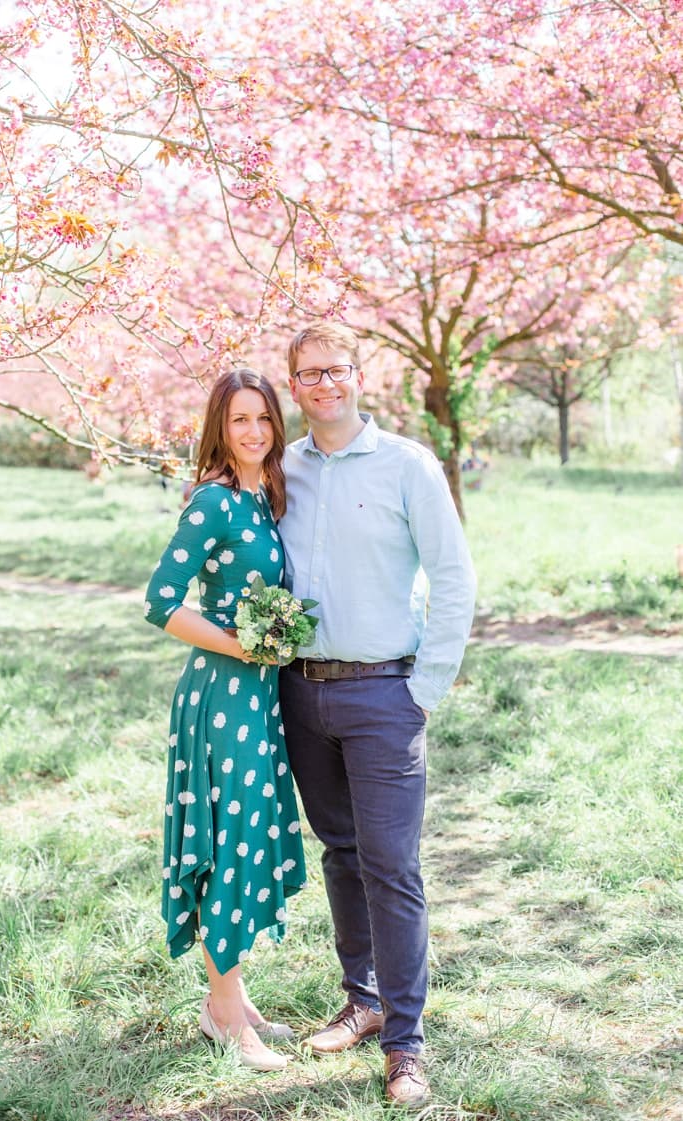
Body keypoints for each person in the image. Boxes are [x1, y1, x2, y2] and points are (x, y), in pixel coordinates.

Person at [277, 323, 476, 1106]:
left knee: (392, 867)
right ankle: (360, 998)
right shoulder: (282, 469)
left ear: (359, 375)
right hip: (302, 692)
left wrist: (424, 687)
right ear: (291, 386)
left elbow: (454, 574)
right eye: (305, 373)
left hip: (385, 693)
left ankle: (406, 1045)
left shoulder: (407, 465)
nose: (322, 383)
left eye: (334, 369)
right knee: (339, 851)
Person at [143, 368, 309, 1073]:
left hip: (259, 696)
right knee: (231, 844)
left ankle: (232, 993)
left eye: (264, 419)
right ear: (220, 427)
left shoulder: (263, 498)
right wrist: (243, 644)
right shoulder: (213, 501)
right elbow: (160, 601)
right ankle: (222, 1013)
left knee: (249, 833)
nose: (254, 432)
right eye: (240, 420)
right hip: (220, 698)